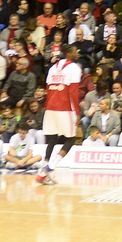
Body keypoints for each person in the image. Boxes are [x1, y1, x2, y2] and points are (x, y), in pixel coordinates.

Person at [38, 45, 84, 183]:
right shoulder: (74, 68)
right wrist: (76, 113)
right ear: (69, 53)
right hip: (64, 108)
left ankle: (42, 170)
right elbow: (73, 93)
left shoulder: (52, 68)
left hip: (50, 107)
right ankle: (51, 166)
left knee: (51, 138)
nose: (78, 52)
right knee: (71, 138)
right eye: (76, 51)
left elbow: (48, 89)